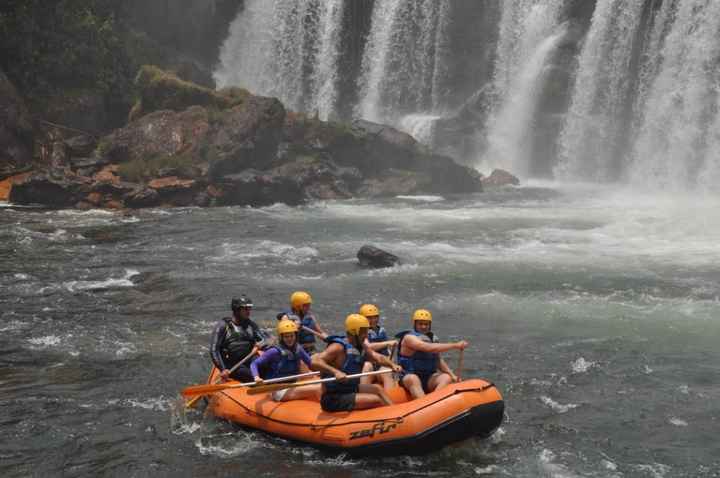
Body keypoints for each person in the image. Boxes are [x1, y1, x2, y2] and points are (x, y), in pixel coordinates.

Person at [312, 314, 402, 412]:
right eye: (363, 332)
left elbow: (378, 357)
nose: (366, 335)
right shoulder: (338, 347)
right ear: (354, 332)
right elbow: (314, 361)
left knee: (377, 389)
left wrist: (392, 365)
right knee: (376, 400)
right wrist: (335, 372)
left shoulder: (362, 347)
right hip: (333, 397)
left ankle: (396, 413)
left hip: (349, 388)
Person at [396, 309, 467, 399]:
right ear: (415, 324)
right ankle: (424, 404)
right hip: (409, 376)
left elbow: (438, 360)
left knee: (446, 377)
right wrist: (455, 345)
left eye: (426, 324)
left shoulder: (433, 338)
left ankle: (434, 402)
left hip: (428, 377)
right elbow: (427, 347)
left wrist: (452, 375)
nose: (423, 326)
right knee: (413, 379)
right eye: (420, 324)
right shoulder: (409, 338)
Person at [249, 319, 321, 402]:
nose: (290, 339)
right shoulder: (274, 351)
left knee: (323, 384)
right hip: (278, 390)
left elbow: (311, 363)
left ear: (295, 336)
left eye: (292, 336)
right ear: (281, 337)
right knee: (318, 388)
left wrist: (325, 370)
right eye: (286, 336)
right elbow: (254, 364)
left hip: (293, 383)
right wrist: (256, 377)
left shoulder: (298, 349)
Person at [210, 295, 269, 382]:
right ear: (236, 310)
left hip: (250, 359)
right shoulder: (223, 326)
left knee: (268, 368)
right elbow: (214, 350)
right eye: (245, 309)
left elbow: (263, 340)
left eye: (249, 309)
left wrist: (263, 343)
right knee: (251, 376)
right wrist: (222, 369)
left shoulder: (251, 325)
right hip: (233, 363)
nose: (248, 312)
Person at [358, 303, 397, 391]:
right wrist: (387, 343)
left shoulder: (382, 330)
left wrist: (391, 361)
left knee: (386, 370)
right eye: (369, 318)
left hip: (381, 365)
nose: (373, 320)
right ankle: (363, 394)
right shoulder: (361, 331)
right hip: (369, 364)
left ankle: (391, 397)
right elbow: (369, 347)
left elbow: (387, 350)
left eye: (375, 317)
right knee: (367, 365)